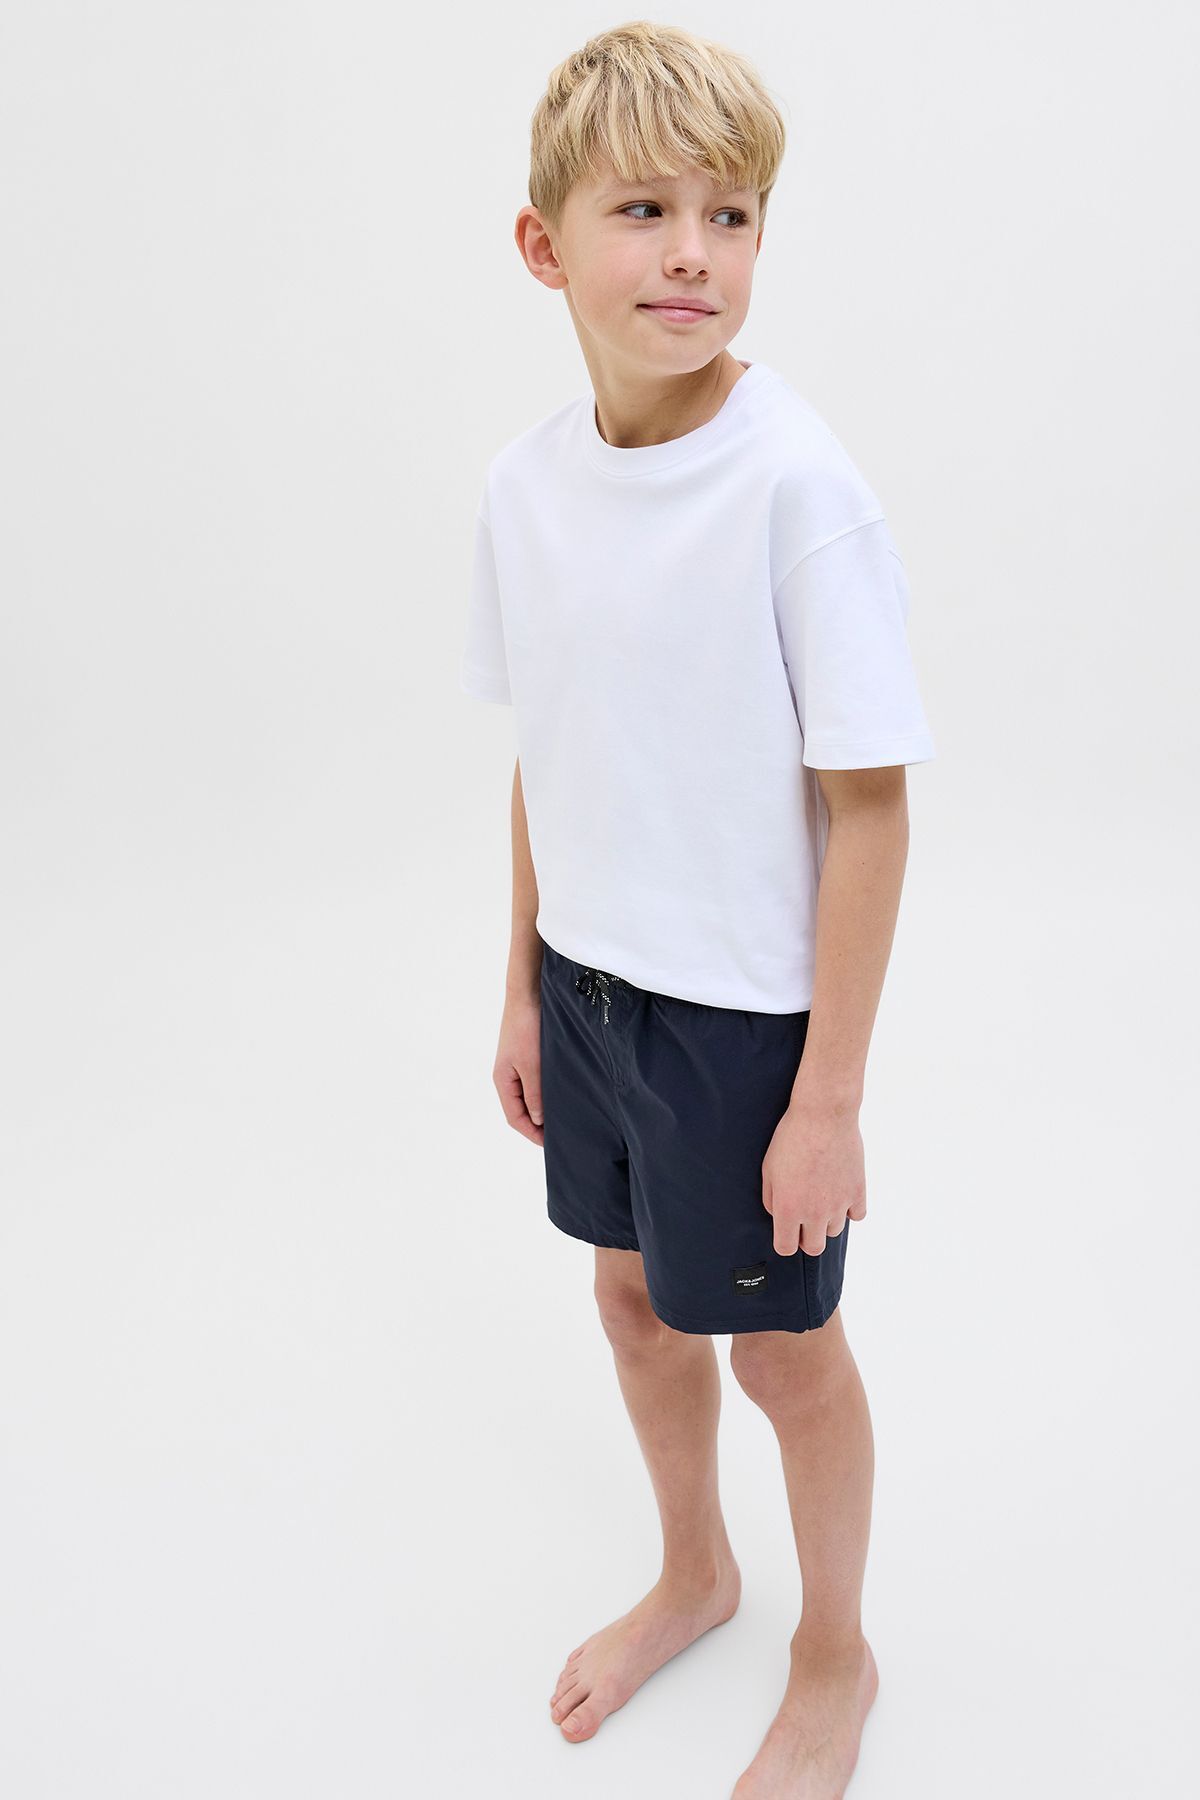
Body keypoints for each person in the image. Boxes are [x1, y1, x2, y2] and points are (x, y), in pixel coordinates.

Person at [459, 21, 936, 1797]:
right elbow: (548, 750)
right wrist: (523, 987)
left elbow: (870, 809)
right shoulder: (526, 487)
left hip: (743, 1022)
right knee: (635, 1307)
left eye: (730, 217)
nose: (692, 255)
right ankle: (696, 1574)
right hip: (590, 993)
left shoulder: (796, 489)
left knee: (785, 1362)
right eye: (644, 210)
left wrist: (828, 1099)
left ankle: (837, 1650)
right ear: (544, 245)